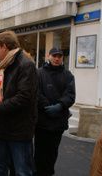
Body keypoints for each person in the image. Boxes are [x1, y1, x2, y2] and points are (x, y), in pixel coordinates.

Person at [0, 31, 38, 176]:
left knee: (21, 171)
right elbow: (2, 92)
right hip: (2, 128)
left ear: (5, 46)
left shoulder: (26, 65)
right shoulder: (4, 65)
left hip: (19, 131)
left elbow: (23, 98)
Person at [34, 47, 75, 176]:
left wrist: (59, 106)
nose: (57, 59)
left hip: (58, 122)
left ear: (62, 58)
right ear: (48, 56)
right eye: (54, 56)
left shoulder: (68, 75)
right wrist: (47, 106)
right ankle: (37, 172)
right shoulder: (39, 73)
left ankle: (48, 173)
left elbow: (70, 95)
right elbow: (36, 93)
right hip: (42, 120)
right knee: (40, 150)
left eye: (59, 56)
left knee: (53, 151)